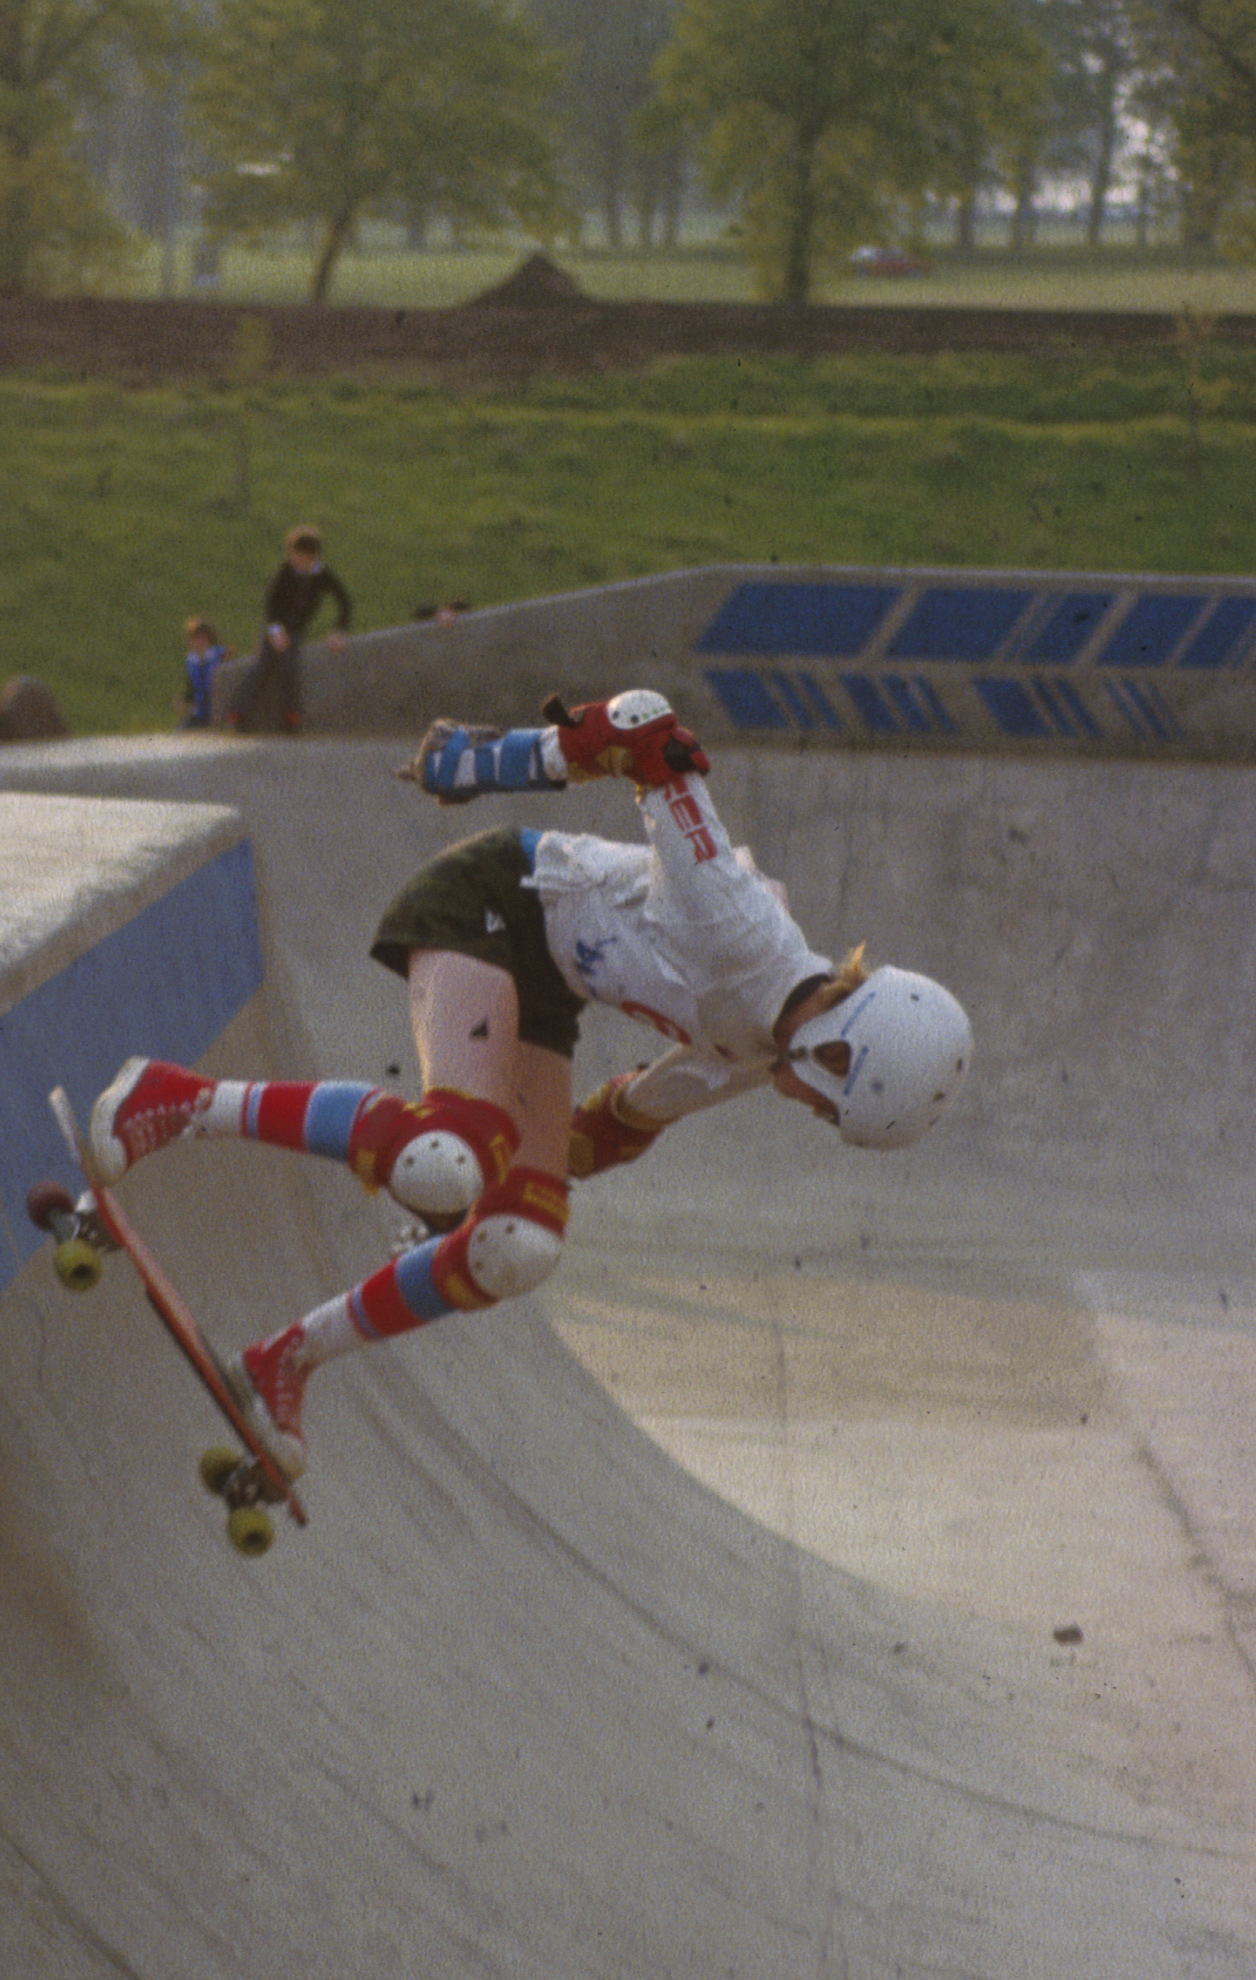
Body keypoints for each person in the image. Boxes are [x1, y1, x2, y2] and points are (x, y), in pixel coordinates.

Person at [83, 687, 971, 1480]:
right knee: (443, 1155)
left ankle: (284, 1360)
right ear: (837, 1050)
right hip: (494, 894)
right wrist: (489, 760)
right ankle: (177, 1098)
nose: (811, 1113)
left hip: (545, 985)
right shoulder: (741, 926)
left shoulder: (754, 1057)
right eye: (831, 1105)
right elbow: (646, 732)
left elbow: (616, 1124)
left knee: (518, 1244)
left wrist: (502, 1195)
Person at [223, 525, 351, 733]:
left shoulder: (323, 575)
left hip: (296, 630)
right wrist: (275, 630)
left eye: (299, 556)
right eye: (293, 555)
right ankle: (237, 713)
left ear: (311, 556)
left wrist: (338, 631)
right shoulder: (286, 571)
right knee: (262, 666)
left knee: (289, 668)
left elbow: (344, 601)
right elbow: (272, 603)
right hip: (275, 626)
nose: (294, 560)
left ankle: (291, 716)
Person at [177, 615, 227, 728]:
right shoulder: (192, 660)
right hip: (199, 711)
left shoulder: (219, 656)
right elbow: (191, 686)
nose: (200, 642)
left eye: (203, 638)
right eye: (196, 638)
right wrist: (184, 700)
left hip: (218, 710)